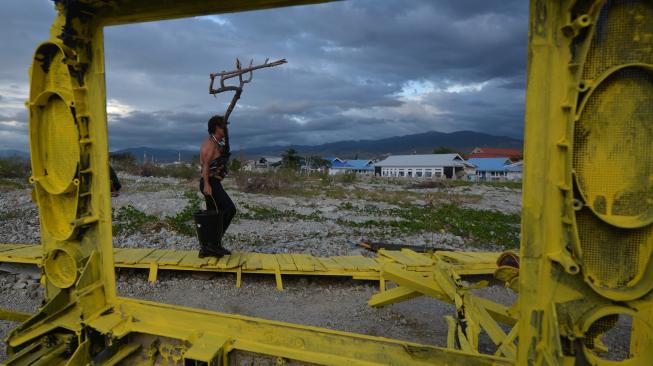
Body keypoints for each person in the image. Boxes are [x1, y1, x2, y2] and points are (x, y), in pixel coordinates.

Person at [198, 115, 236, 258]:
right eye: (223, 127)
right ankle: (212, 244)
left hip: (214, 182)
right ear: (216, 128)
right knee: (230, 209)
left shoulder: (216, 143)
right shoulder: (210, 145)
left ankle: (210, 247)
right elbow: (206, 166)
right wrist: (207, 184)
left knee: (215, 215)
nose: (225, 129)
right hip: (210, 183)